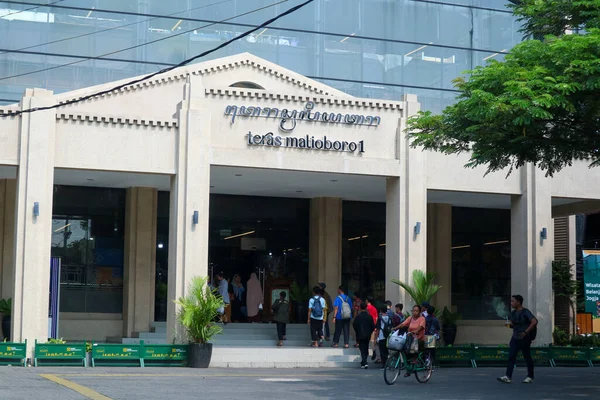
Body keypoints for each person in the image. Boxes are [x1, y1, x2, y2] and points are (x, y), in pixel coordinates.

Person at [497, 295, 538, 384]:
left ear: (518, 302)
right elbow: (512, 325)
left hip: (524, 338)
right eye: (511, 301)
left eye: (513, 301)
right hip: (515, 337)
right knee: (511, 356)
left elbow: (534, 321)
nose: (511, 303)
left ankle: (530, 376)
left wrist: (526, 332)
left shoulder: (525, 312)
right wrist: (508, 324)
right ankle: (508, 376)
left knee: (527, 357)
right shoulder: (513, 313)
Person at [393, 304, 426, 377]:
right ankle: (408, 369)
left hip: (419, 339)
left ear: (419, 312)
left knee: (413, 352)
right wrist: (395, 328)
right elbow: (403, 324)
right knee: (405, 350)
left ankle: (415, 363)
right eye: (413, 311)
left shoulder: (422, 319)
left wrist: (416, 331)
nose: (414, 312)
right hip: (410, 338)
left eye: (416, 311)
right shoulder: (410, 318)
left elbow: (421, 327)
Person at [353, 301, 375, 369]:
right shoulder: (369, 317)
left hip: (360, 334)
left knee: (362, 348)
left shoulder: (358, 317)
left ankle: (364, 362)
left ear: (360, 308)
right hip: (367, 334)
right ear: (366, 308)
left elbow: (354, 325)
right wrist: (370, 332)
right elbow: (373, 326)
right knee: (366, 347)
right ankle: (364, 362)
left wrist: (357, 331)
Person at [375, 305, 393, 369]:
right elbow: (391, 326)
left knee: (382, 351)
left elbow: (378, 328)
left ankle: (384, 365)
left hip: (382, 336)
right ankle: (388, 364)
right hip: (388, 336)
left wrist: (377, 337)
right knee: (387, 351)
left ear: (380, 310)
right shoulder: (389, 317)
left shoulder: (380, 318)